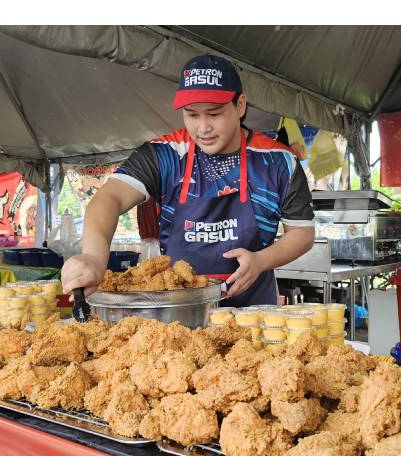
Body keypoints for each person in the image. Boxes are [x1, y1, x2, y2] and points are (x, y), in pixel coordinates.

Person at [61, 54, 315, 307]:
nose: (203, 128)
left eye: (214, 114)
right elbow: (110, 198)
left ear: (240, 106)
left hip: (254, 313)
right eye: (192, 115)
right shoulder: (164, 155)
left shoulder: (279, 161)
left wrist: (261, 260)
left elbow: (302, 233)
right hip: (178, 315)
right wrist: (94, 256)